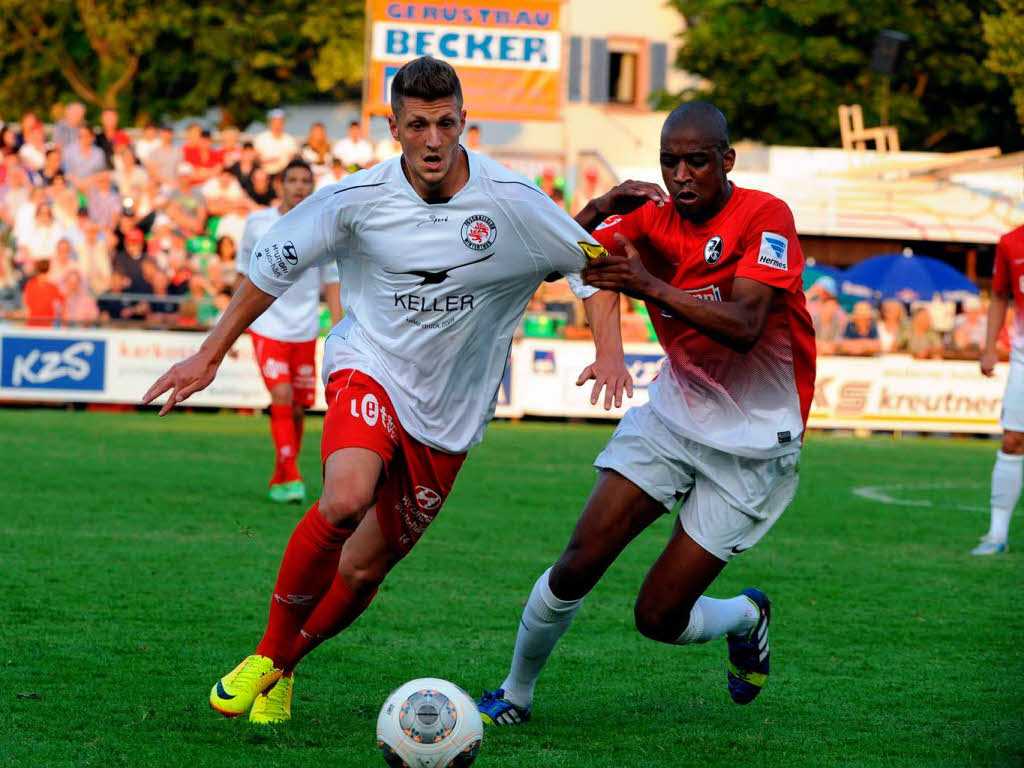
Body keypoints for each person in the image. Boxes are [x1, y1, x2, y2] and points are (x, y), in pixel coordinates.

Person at [142, 56, 629, 727]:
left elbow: (595, 266)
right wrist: (210, 351)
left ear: (464, 123)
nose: (434, 139)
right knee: (344, 500)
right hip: (368, 364)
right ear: (393, 127)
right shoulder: (355, 200)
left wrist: (610, 350)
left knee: (364, 570)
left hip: (450, 416)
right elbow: (271, 268)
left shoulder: (515, 202)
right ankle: (265, 654)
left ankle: (285, 670)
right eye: (419, 124)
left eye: (447, 123)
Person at [477, 101, 815, 725]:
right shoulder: (648, 220)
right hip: (672, 417)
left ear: (726, 161)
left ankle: (746, 613)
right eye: (669, 162)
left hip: (755, 443)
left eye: (697, 161)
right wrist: (603, 210)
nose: (682, 174)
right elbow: (559, 262)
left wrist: (649, 287)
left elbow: (745, 325)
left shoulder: (765, 216)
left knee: (657, 619)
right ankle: (515, 694)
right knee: (578, 560)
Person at [235, 159, 342, 502]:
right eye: (292, 180)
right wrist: (234, 323)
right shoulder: (258, 223)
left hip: (304, 329)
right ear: (279, 185)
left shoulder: (321, 226)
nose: (298, 186)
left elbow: (332, 280)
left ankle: (281, 474)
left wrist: (339, 330)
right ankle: (293, 476)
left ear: (311, 186)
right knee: (281, 396)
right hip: (266, 324)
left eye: (304, 181)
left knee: (297, 407)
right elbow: (243, 273)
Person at [974, 225, 1024, 555]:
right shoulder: (1010, 242)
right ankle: (996, 534)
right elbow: (1000, 297)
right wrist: (990, 346)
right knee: (1012, 440)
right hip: (1022, 354)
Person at [254, 109, 298, 177]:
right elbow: (256, 159)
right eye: (275, 121)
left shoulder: (289, 139)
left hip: (284, 174)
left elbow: (293, 158)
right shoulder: (261, 138)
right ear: (270, 123)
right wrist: (268, 161)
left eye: (280, 122)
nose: (277, 124)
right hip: (265, 174)